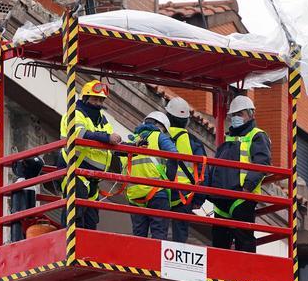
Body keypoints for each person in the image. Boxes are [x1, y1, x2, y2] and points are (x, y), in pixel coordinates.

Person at [205, 95, 272, 252]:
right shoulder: (229, 138)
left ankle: (247, 275)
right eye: (234, 115)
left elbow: (262, 163)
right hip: (222, 199)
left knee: (244, 239)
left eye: (240, 114)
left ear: (250, 114)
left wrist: (247, 187)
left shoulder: (257, 135)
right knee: (219, 241)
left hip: (242, 197)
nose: (236, 118)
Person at [60, 80, 123, 230]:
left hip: (92, 178)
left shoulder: (101, 119)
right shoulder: (75, 113)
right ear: (85, 98)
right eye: (95, 99)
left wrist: (132, 146)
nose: (98, 103)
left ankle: (84, 251)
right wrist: (107, 138)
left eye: (101, 100)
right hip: (74, 170)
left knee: (91, 220)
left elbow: (111, 141)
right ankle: (70, 247)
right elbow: (79, 133)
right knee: (76, 213)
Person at [125, 111, 179, 240]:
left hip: (135, 195)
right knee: (159, 237)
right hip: (157, 192)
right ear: (160, 126)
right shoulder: (159, 136)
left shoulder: (132, 139)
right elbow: (174, 155)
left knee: (139, 239)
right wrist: (169, 179)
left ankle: (140, 261)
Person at [165, 97, 207, 243]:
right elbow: (203, 172)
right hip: (184, 197)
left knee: (158, 232)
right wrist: (199, 199)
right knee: (179, 237)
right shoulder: (194, 143)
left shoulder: (159, 136)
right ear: (187, 121)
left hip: (160, 193)